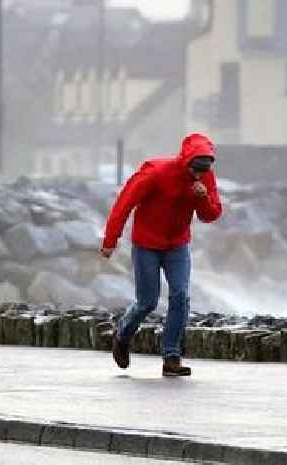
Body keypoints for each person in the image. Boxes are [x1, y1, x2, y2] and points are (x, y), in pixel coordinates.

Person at [100, 133, 222, 377]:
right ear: (186, 160)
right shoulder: (156, 172)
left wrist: (203, 198)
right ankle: (122, 335)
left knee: (181, 295)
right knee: (147, 302)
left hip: (177, 245)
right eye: (196, 168)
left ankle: (171, 356)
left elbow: (211, 214)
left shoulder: (205, 177)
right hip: (147, 244)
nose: (199, 174)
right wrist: (110, 240)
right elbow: (124, 203)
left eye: (204, 169)